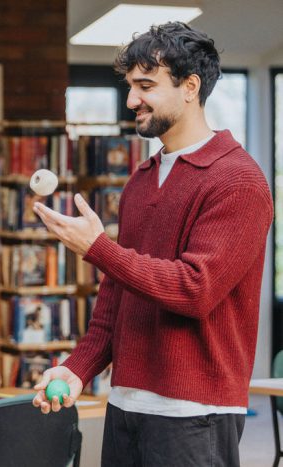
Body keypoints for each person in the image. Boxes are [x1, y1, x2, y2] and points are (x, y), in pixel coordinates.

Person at [31, 22, 273, 466]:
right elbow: (116, 300)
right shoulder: (140, 182)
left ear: (190, 87)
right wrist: (77, 367)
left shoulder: (239, 180)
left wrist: (98, 248)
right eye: (129, 86)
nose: (131, 100)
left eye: (146, 85)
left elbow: (195, 290)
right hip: (125, 405)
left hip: (196, 415)